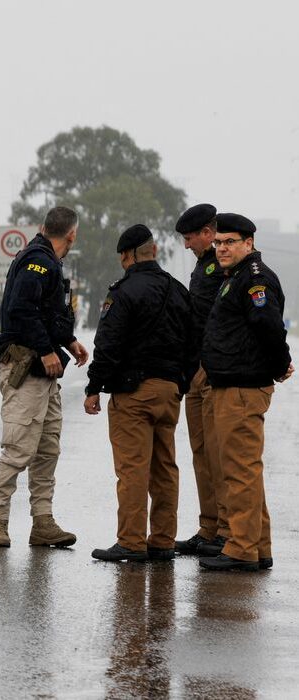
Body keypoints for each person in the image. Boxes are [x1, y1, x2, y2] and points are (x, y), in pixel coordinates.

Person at [84, 225, 194, 563]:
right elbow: (194, 342)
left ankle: (131, 541)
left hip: (133, 392)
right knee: (165, 468)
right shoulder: (178, 290)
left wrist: (94, 386)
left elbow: (108, 343)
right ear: (155, 251)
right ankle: (162, 540)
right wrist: (181, 383)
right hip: (170, 391)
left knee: (132, 468)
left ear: (127, 255)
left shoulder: (123, 291)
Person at [0, 206, 88, 548]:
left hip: (43, 374)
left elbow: (48, 312)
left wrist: (68, 342)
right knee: (18, 448)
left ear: (44, 227)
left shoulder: (49, 261)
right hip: (26, 367)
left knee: (47, 450)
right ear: (72, 234)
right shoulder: (37, 261)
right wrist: (46, 349)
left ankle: (43, 522)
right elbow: (21, 310)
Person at [199, 213, 293, 571]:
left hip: (242, 387)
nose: (221, 248)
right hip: (231, 383)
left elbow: (268, 325)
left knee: (238, 472)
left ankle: (240, 548)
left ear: (248, 244)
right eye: (218, 243)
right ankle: (259, 546)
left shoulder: (254, 279)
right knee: (245, 472)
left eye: (229, 242)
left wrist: (280, 363)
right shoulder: (235, 277)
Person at [172, 204, 230, 557]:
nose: (186, 244)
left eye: (190, 237)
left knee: (219, 454)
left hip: (212, 368)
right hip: (195, 369)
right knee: (201, 452)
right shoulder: (202, 266)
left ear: (207, 233)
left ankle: (226, 530)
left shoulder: (222, 265)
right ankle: (209, 527)